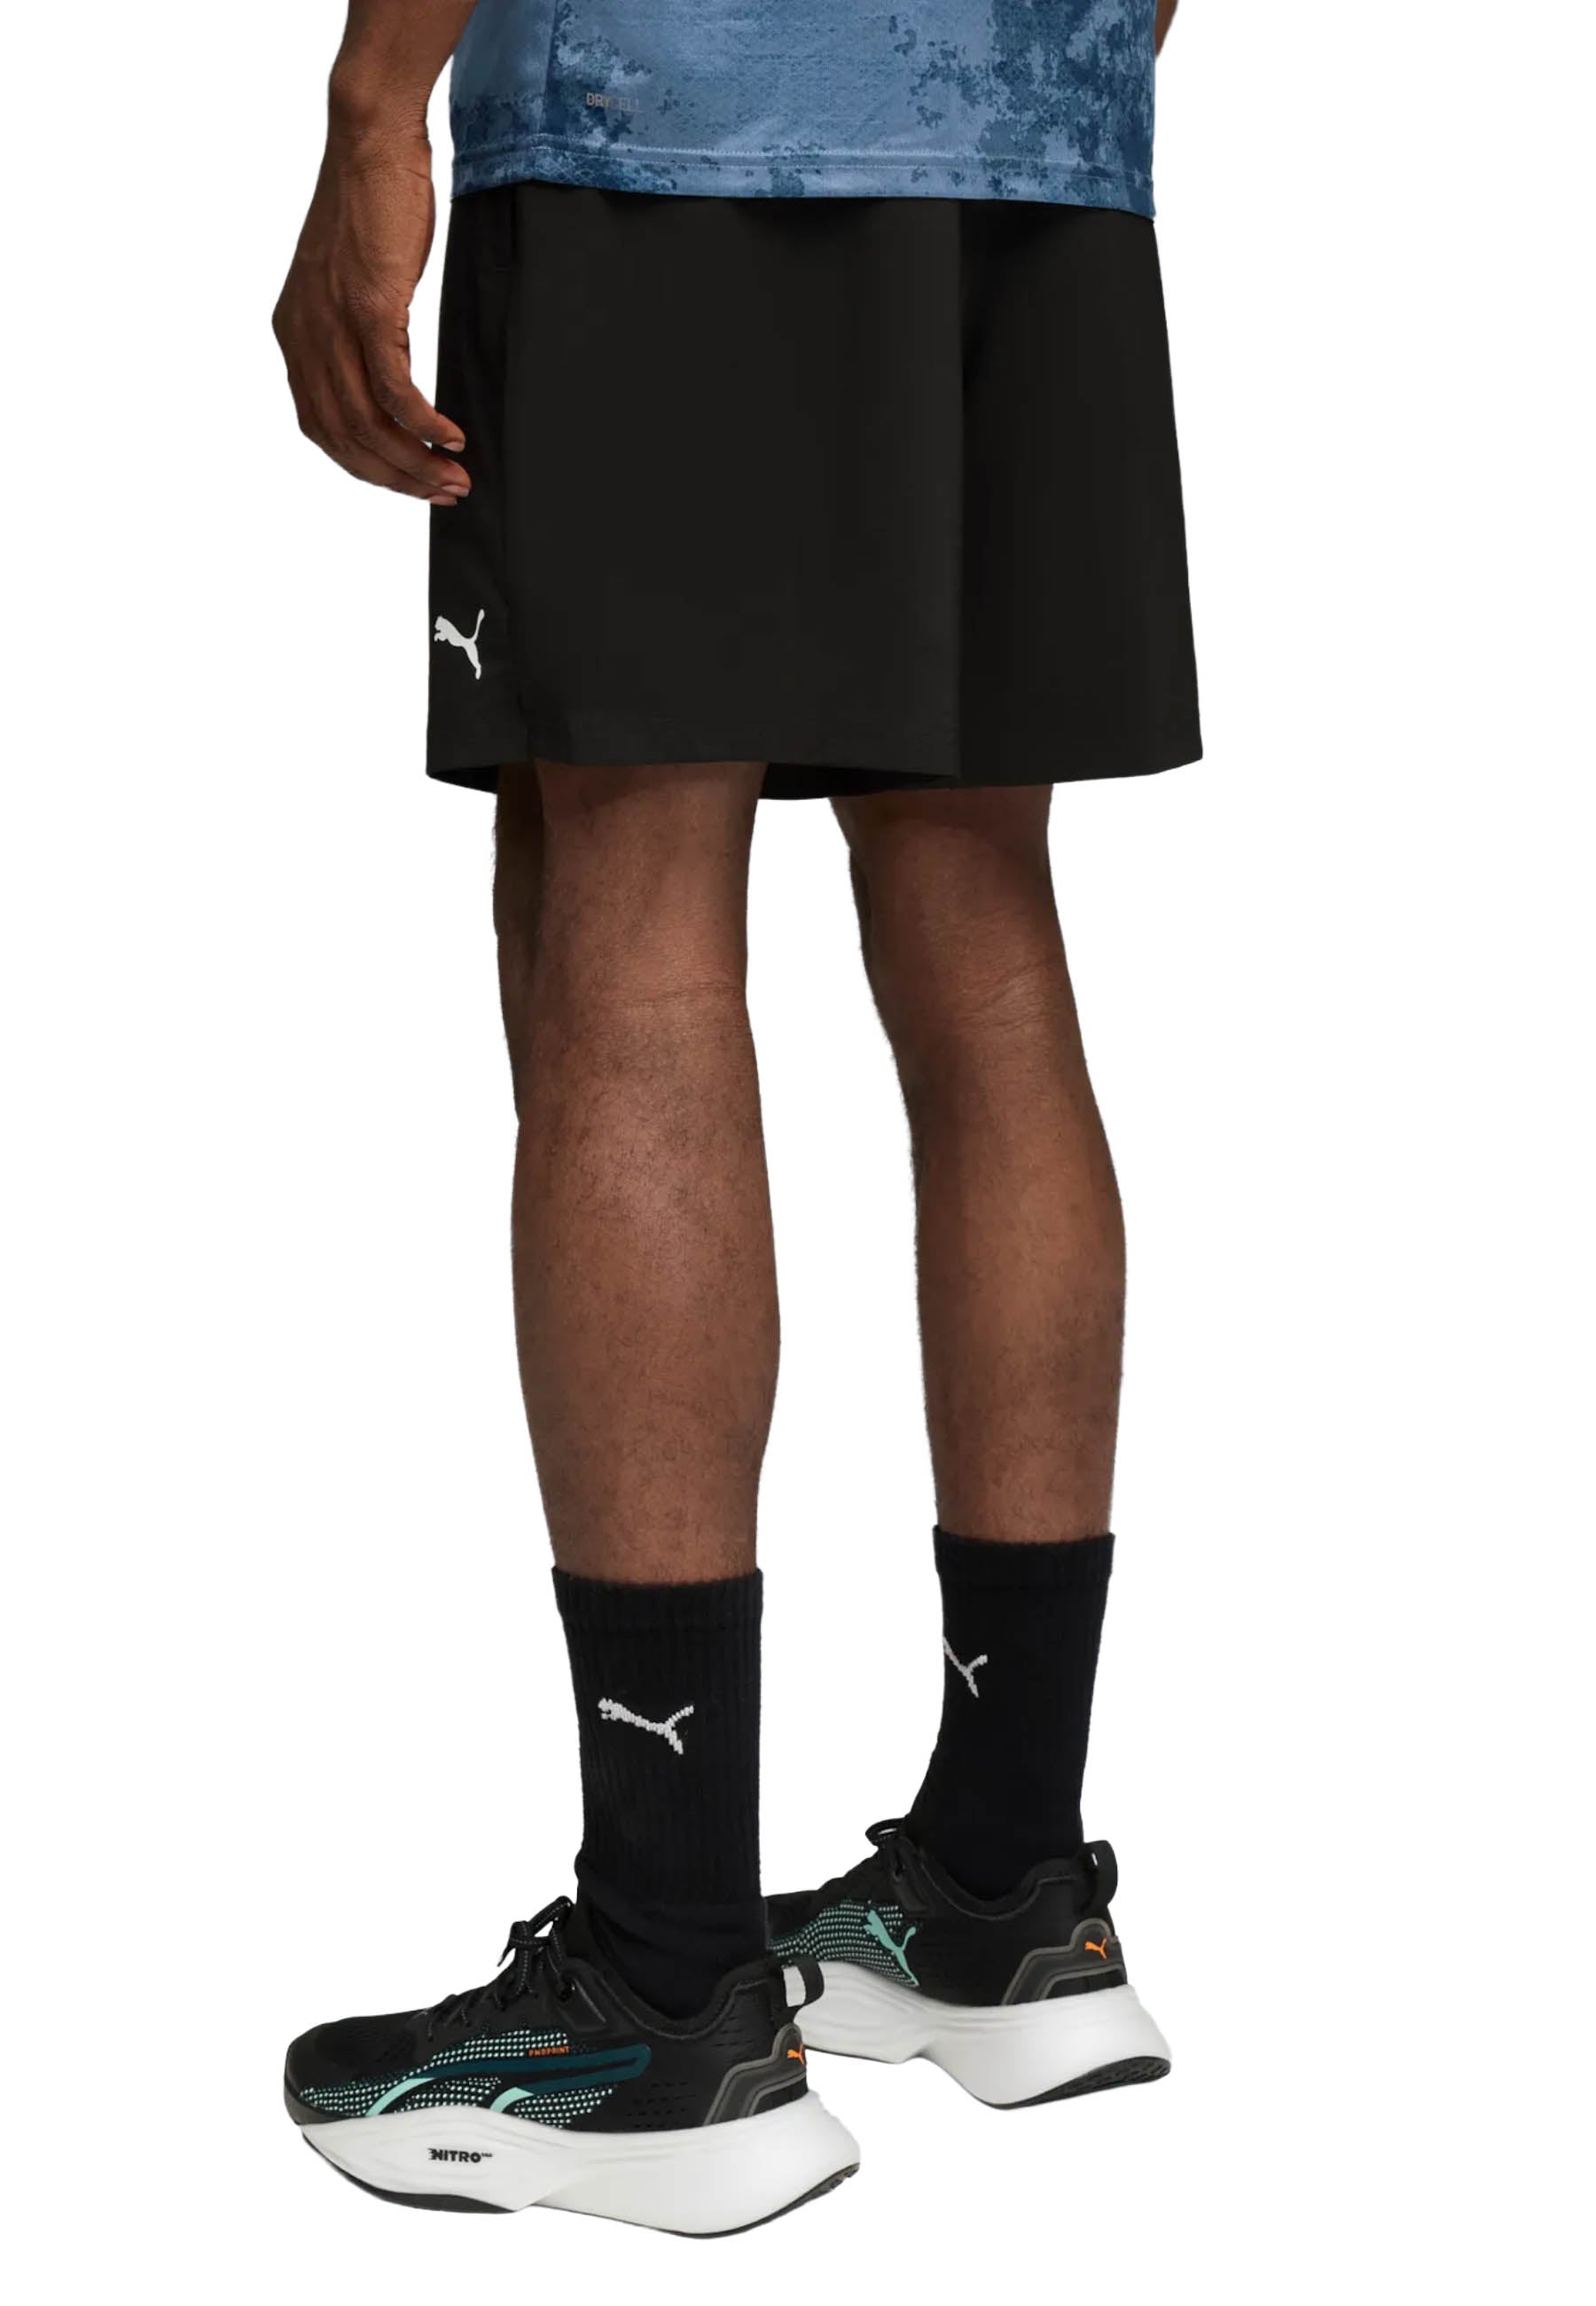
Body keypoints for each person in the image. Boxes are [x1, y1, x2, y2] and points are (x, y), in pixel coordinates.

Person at [273, 0, 1198, 2235]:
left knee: (624, 902)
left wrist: (377, 96)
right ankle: (1000, 1893)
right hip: (1038, 121)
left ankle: (668, 1991)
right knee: (980, 907)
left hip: (679, 119)